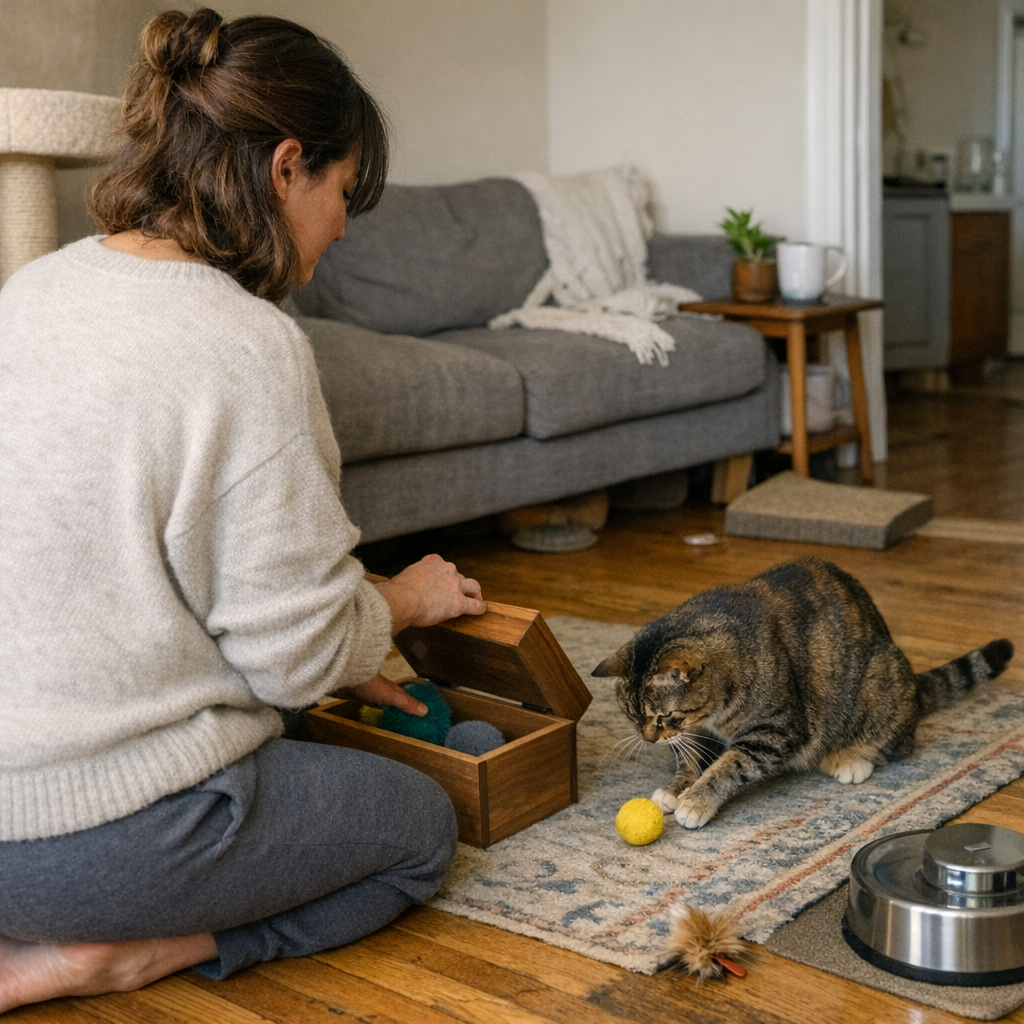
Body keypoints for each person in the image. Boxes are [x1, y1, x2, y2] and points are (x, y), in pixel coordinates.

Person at [0, 8, 485, 1012]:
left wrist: (342, 630)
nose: (342, 226)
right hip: (78, 848)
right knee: (417, 827)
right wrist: (400, 603)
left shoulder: (31, 289)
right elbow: (295, 663)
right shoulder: (247, 345)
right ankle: (119, 955)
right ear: (286, 167)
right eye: (343, 192)